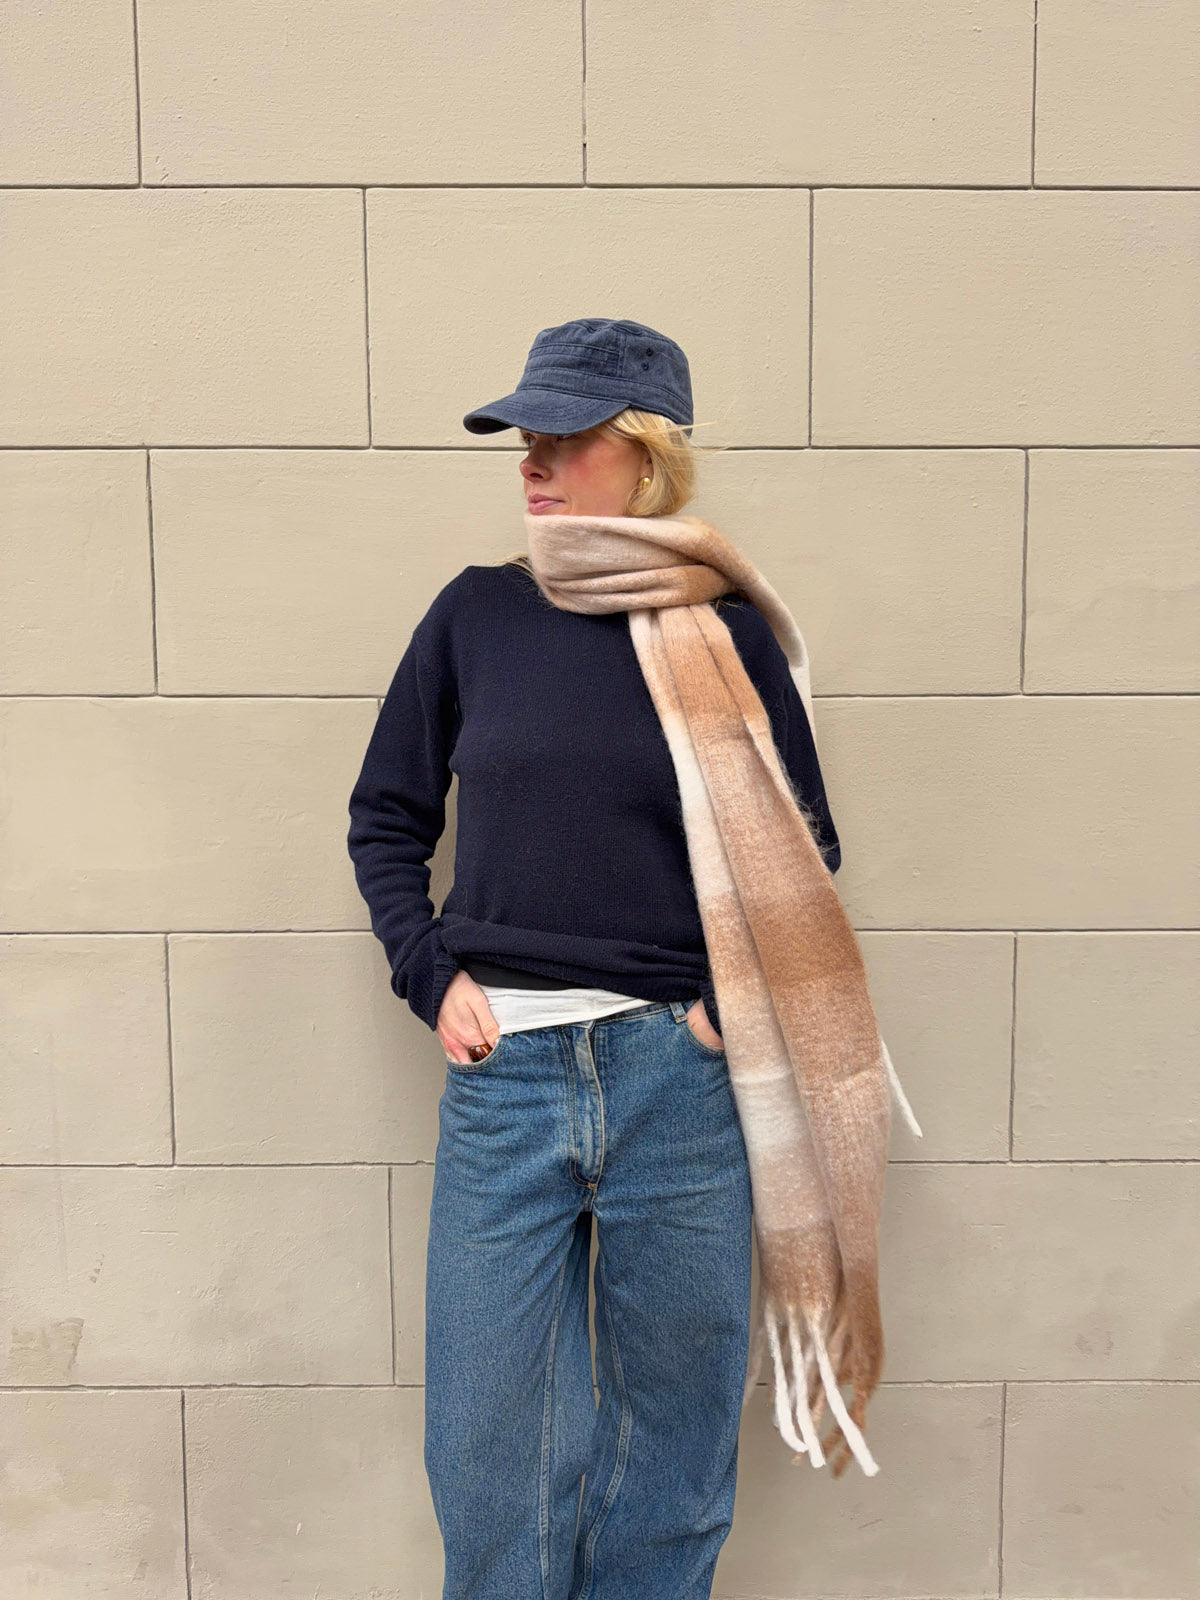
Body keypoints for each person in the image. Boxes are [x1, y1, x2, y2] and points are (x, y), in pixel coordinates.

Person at [346, 318, 843, 1599]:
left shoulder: (726, 636)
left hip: (680, 1079)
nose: (534, 460)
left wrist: (720, 1009)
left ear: (647, 453)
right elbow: (387, 815)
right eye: (528, 435)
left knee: (674, 1433)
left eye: (566, 436)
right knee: (485, 1445)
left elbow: (802, 855)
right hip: (506, 1074)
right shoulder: (476, 616)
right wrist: (431, 973)